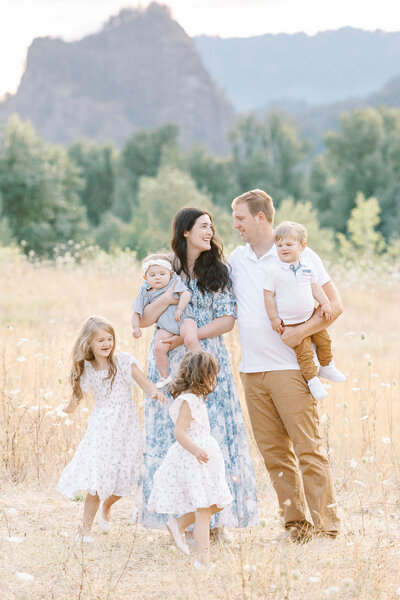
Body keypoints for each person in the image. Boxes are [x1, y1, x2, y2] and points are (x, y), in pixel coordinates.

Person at [229, 189, 341, 541]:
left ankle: (327, 527)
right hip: (251, 371)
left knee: (308, 448)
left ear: (261, 217)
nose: (236, 225)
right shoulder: (236, 259)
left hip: (292, 369)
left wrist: (300, 333)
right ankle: (296, 526)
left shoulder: (301, 255)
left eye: (241, 218)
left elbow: (333, 306)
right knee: (274, 454)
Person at [137, 207, 258, 532]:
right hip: (168, 362)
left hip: (205, 360)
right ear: (185, 231)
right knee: (172, 433)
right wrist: (167, 302)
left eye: (211, 226)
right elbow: (144, 317)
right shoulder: (162, 268)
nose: (211, 231)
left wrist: (188, 336)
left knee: (213, 433)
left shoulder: (217, 270)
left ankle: (217, 521)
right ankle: (179, 520)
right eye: (204, 226)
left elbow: (227, 320)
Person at [56, 315, 167, 543]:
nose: (106, 344)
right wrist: (66, 409)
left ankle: (107, 505)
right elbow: (76, 400)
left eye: (109, 339)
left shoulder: (124, 362)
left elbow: (145, 384)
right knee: (97, 480)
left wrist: (155, 392)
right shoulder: (88, 370)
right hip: (102, 429)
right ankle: (84, 530)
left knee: (126, 477)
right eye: (100, 341)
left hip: (127, 429)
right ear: (89, 344)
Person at [148, 351, 233, 570]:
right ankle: (203, 561)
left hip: (203, 457)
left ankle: (179, 524)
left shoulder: (195, 399)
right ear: (200, 375)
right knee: (203, 509)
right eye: (210, 374)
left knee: (216, 503)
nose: (213, 379)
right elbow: (180, 432)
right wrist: (196, 450)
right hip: (193, 459)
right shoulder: (187, 400)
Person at [263, 221, 346, 400]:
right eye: (279, 245)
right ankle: (312, 380)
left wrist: (325, 303)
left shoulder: (307, 265)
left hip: (309, 317)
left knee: (324, 341)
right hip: (290, 323)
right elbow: (268, 296)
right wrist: (274, 319)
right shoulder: (274, 270)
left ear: (302, 246)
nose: (284, 248)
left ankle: (327, 365)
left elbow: (315, 286)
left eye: (289, 244)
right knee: (305, 353)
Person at [132, 254, 200, 388]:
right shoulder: (146, 290)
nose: (158, 277)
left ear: (170, 273)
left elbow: (186, 294)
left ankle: (200, 366)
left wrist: (180, 309)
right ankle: (164, 376)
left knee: (191, 339)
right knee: (159, 347)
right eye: (152, 275)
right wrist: (135, 327)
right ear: (145, 278)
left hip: (184, 319)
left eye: (162, 274)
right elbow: (136, 311)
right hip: (165, 327)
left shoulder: (174, 281)